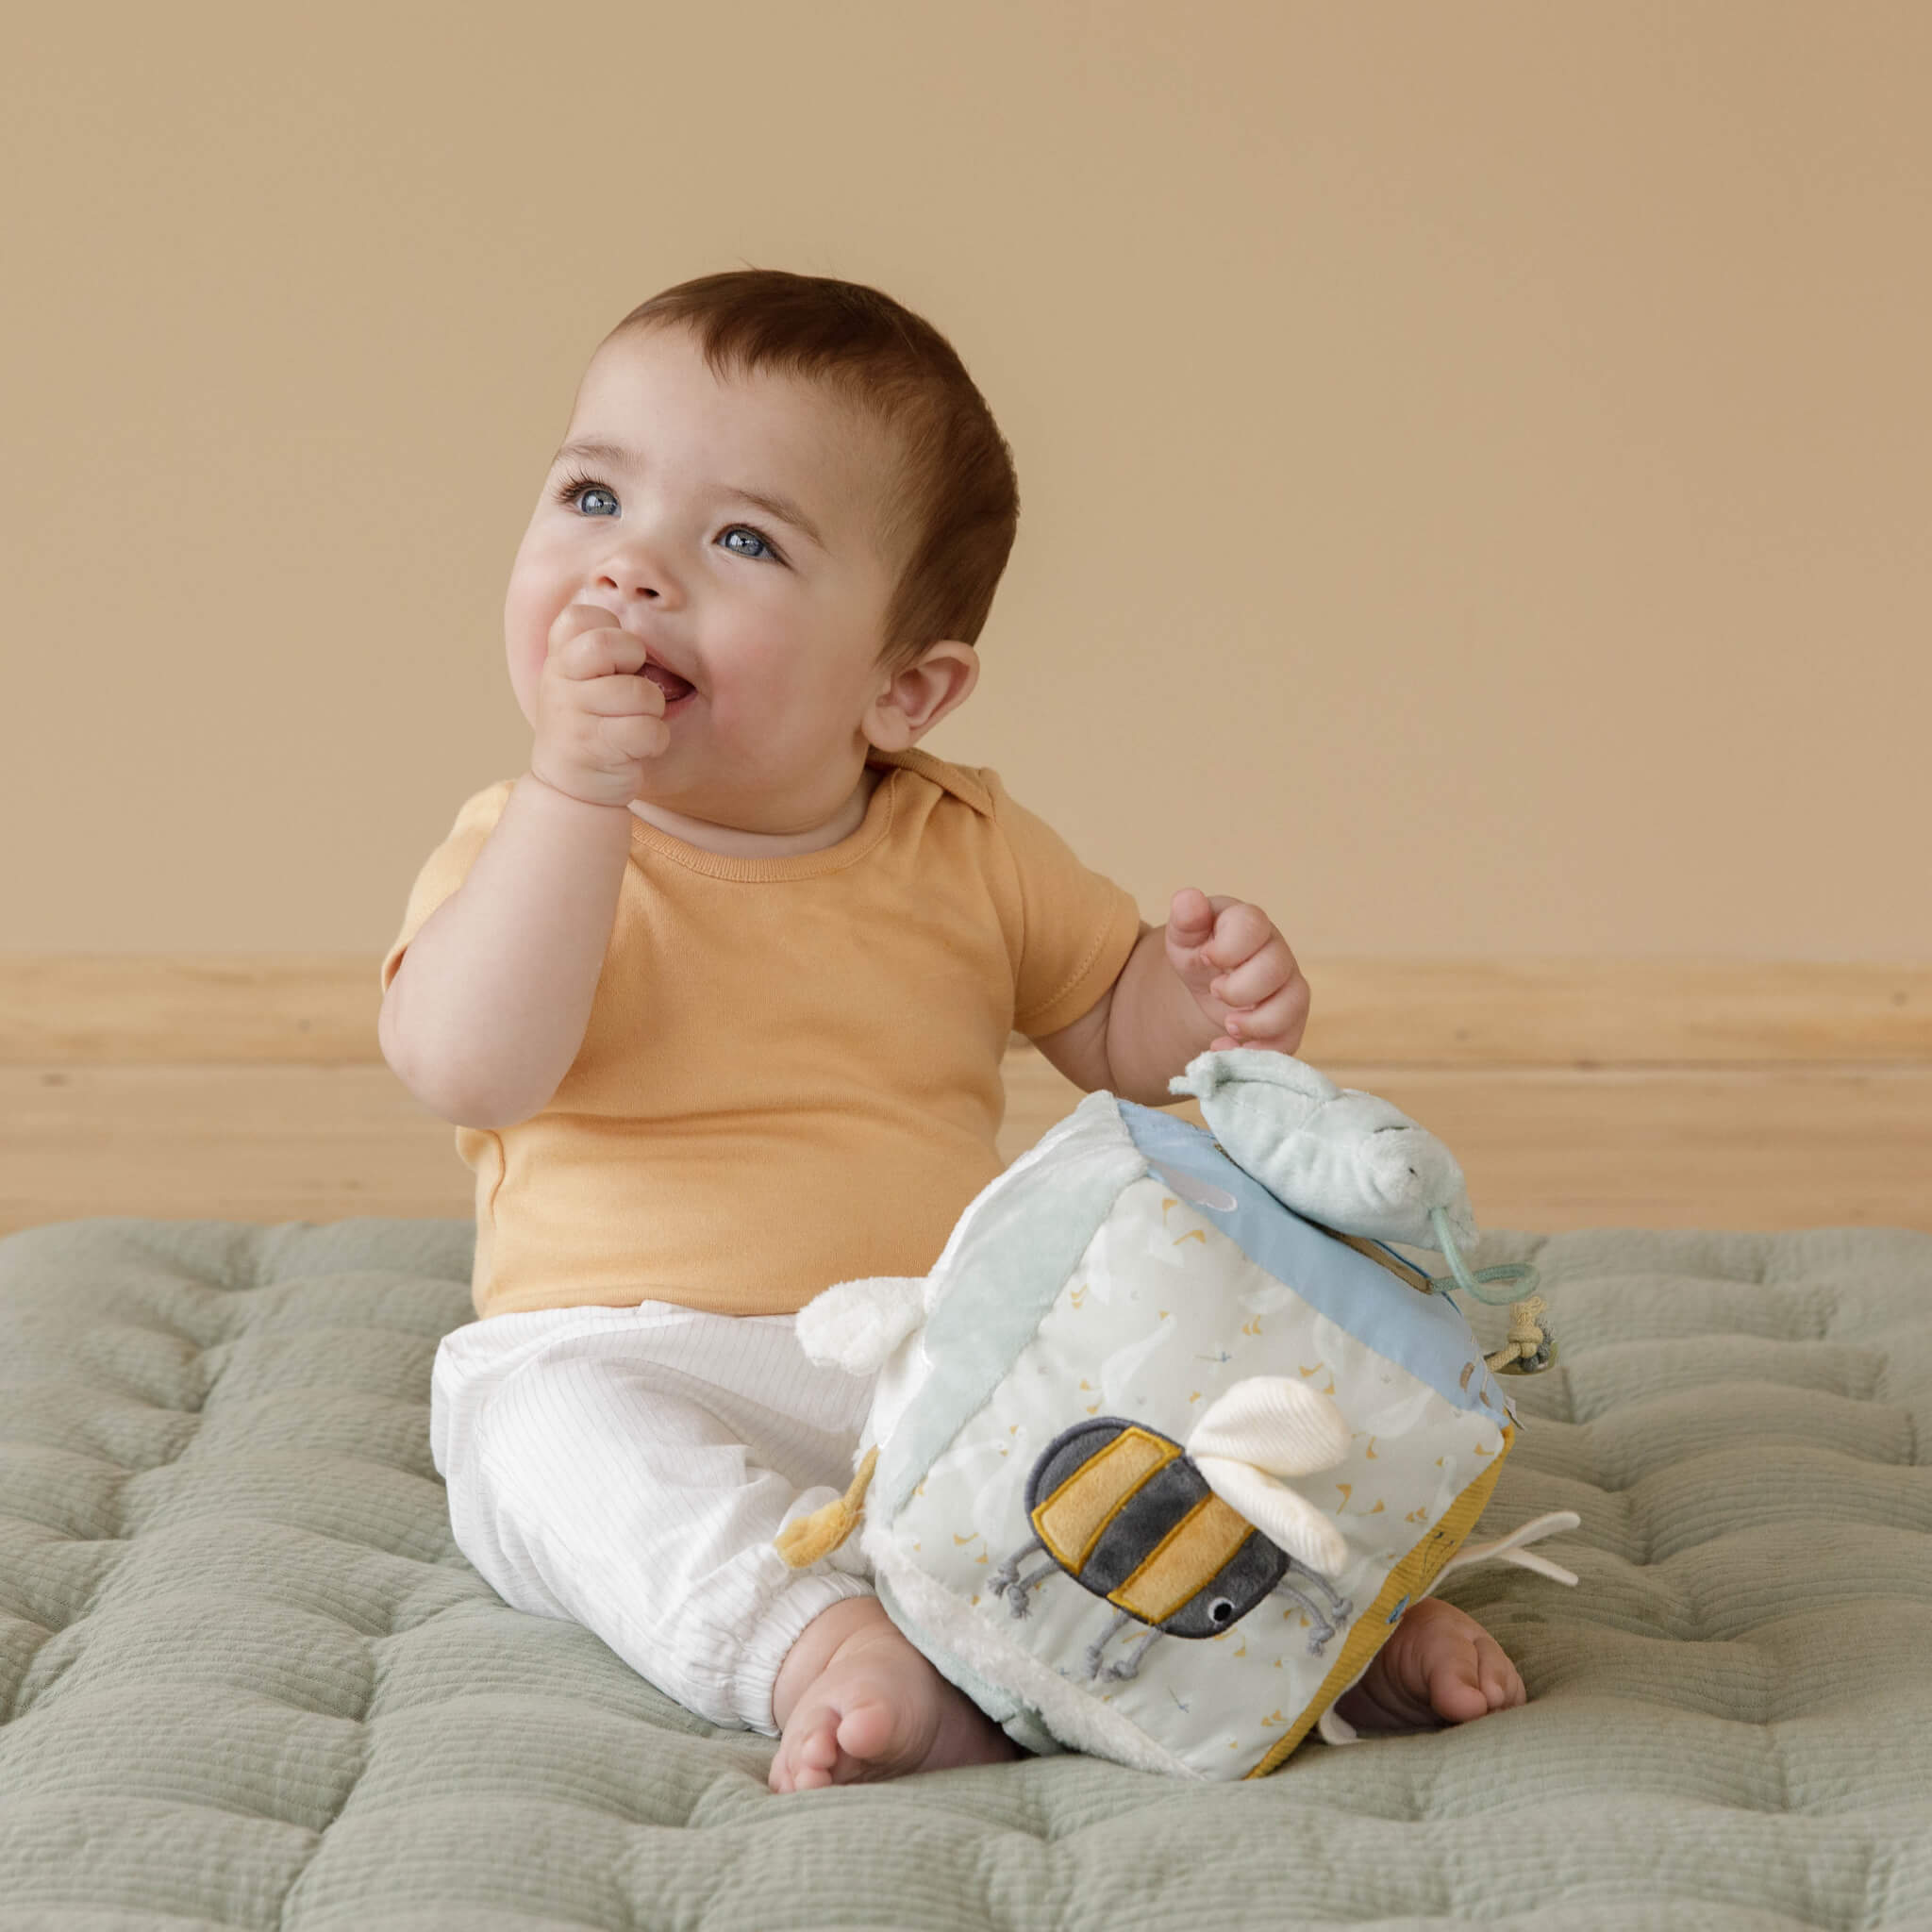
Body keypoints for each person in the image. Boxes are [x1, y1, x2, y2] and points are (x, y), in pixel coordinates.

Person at [377, 268, 1527, 1794]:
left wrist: (1207, 1003)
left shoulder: (962, 845)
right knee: (526, 1442)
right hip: (634, 1348)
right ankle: (816, 1646)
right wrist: (576, 800)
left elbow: (1114, 1024)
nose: (628, 573)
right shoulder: (528, 842)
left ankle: (1327, 1614)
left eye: (741, 540)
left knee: (1161, 1381)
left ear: (905, 689)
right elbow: (469, 1065)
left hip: (948, 1351)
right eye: (592, 496)